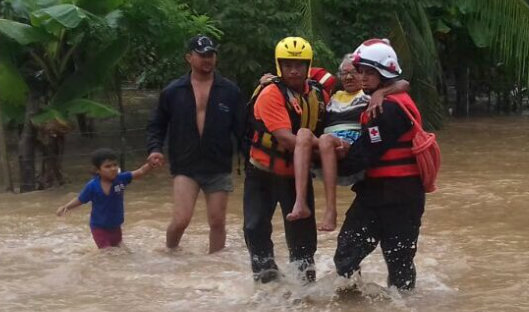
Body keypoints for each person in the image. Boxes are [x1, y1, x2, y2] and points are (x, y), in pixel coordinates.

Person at [333, 39, 427, 291]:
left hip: (394, 199)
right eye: (361, 71)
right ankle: (362, 308)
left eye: (369, 72)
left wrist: (325, 166)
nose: (362, 77)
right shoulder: (392, 99)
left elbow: (364, 156)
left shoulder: (386, 109)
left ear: (383, 73)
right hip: (388, 196)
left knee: (393, 265)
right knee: (352, 257)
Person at [288, 53, 409, 231]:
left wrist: (382, 92)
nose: (349, 77)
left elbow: (403, 83)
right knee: (303, 134)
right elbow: (295, 74)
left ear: (363, 74)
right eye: (344, 73)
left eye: (354, 72)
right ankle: (300, 203)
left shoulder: (370, 94)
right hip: (326, 142)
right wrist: (271, 78)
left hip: (349, 145)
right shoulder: (330, 95)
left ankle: (331, 211)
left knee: (326, 140)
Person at [146, 35, 244, 253]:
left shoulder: (230, 91)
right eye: (202, 55)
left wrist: (251, 159)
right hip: (185, 166)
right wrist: (154, 149)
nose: (207, 59)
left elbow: (242, 130)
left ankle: (214, 265)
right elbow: (157, 124)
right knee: (181, 219)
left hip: (218, 164)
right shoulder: (173, 91)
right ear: (189, 57)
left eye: (211, 55)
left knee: (218, 222)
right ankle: (169, 253)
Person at [242, 36, 327, 283]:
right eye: (288, 64)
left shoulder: (319, 93)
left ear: (308, 66)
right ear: (280, 65)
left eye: (300, 65)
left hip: (296, 176)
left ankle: (305, 284)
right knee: (255, 227)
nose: (293, 70)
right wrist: (328, 149)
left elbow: (350, 82)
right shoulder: (270, 94)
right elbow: (288, 140)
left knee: (303, 236)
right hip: (263, 173)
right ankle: (266, 280)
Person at [56, 148, 154, 248]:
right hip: (99, 227)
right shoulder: (92, 186)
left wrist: (150, 164)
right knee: (107, 254)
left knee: (120, 251)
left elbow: (140, 171)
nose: (113, 168)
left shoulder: (121, 179)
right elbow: (80, 199)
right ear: (97, 170)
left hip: (116, 226)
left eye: (115, 165)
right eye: (107, 166)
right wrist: (66, 207)